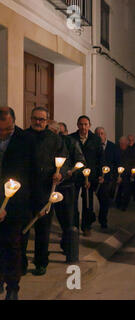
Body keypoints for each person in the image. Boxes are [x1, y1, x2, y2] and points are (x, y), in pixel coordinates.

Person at [23, 107, 68, 276]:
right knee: (23, 228)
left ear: (47, 121)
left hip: (45, 191)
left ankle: (41, 262)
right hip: (25, 192)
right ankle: (20, 262)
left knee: (43, 230)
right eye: (35, 118)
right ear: (30, 119)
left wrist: (60, 174)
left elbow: (65, 161)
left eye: (42, 119)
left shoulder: (55, 139)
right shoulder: (22, 137)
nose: (38, 122)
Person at [0, 107, 33, 300]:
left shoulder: (25, 140)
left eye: (7, 130)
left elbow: (31, 173)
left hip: (16, 203)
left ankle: (13, 286)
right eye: (0, 130)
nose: (4, 134)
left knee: (12, 246)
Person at [48, 120, 85, 263]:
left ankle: (69, 250)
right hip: (49, 186)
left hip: (66, 187)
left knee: (67, 220)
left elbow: (80, 161)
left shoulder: (70, 143)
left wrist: (70, 172)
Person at [69, 116, 104, 237]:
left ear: (89, 125)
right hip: (75, 175)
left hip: (90, 176)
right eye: (81, 124)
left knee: (87, 202)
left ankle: (86, 226)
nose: (83, 127)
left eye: (86, 124)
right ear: (77, 125)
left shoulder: (96, 139)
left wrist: (100, 174)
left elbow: (100, 158)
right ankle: (73, 226)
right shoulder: (71, 138)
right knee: (72, 201)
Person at [95, 127, 120, 229]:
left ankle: (103, 220)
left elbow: (117, 162)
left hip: (108, 179)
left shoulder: (112, 147)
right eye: (97, 134)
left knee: (105, 201)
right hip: (96, 177)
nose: (99, 136)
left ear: (105, 135)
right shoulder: (94, 146)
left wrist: (118, 176)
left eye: (101, 133)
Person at [115, 137, 134, 211]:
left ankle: (124, 205)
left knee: (126, 190)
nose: (122, 145)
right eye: (121, 143)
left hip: (127, 174)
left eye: (123, 143)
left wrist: (131, 172)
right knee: (119, 190)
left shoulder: (130, 151)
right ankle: (118, 203)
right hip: (118, 174)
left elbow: (132, 162)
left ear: (126, 144)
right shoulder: (117, 150)